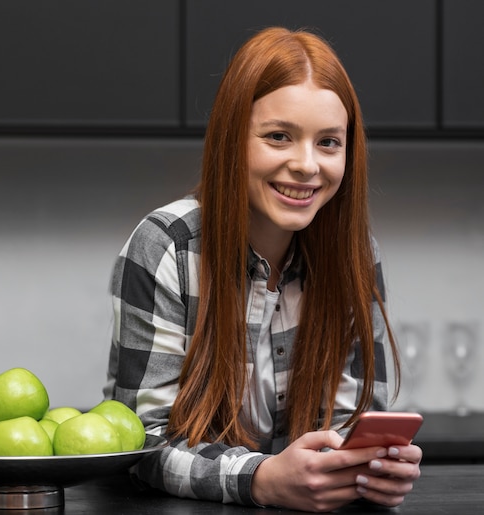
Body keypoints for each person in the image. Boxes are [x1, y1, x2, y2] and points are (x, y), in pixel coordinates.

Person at [103, 26, 422, 512]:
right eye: (279, 137)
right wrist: (262, 478)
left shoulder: (355, 256)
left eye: (329, 143)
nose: (306, 165)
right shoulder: (166, 246)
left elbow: (347, 425)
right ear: (232, 140)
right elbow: (143, 442)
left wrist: (368, 468)